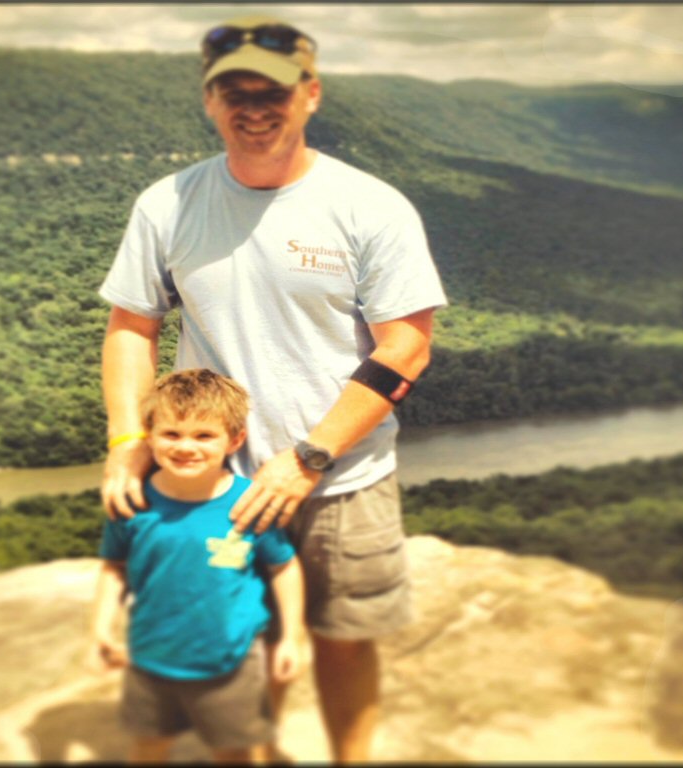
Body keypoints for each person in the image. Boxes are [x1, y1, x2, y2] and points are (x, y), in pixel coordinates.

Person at [99, 14, 448, 763]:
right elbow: (132, 326)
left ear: (311, 94)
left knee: (344, 644)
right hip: (216, 484)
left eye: (274, 90)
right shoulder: (168, 204)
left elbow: (407, 346)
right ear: (209, 100)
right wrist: (128, 442)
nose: (254, 106)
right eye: (234, 90)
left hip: (345, 475)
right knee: (241, 642)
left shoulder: (370, 206)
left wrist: (310, 457)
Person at [91, 368, 306, 764]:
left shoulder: (251, 502)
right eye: (171, 433)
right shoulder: (132, 502)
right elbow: (114, 567)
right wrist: (101, 627)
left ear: (234, 439)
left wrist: (290, 638)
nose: (186, 447)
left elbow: (283, 567)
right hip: (151, 658)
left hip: (232, 660)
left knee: (235, 752)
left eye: (204, 435)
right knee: (148, 749)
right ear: (149, 435)